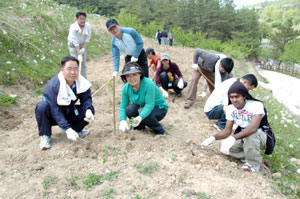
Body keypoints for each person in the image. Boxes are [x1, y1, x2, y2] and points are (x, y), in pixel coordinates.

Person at [201, 81, 275, 172]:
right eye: (231, 97)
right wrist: (213, 138)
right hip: (244, 136)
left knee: (250, 134)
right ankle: (249, 154)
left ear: (244, 96)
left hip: (262, 136)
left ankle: (253, 164)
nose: (234, 100)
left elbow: (253, 128)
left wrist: (233, 138)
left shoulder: (255, 105)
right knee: (224, 146)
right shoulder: (231, 109)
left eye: (237, 96)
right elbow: (227, 131)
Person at [35, 56, 95, 150]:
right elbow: (55, 110)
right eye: (69, 69)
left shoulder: (82, 82)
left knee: (88, 110)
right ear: (62, 70)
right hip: (52, 114)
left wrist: (88, 110)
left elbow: (86, 99)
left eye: (75, 69)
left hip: (68, 110)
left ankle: (76, 130)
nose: (73, 72)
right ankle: (45, 135)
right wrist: (67, 129)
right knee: (42, 106)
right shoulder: (54, 86)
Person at [119, 62, 168, 135]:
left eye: (134, 74)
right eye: (128, 76)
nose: (132, 78)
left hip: (159, 107)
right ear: (125, 77)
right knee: (129, 110)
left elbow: (149, 105)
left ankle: (159, 130)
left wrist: (140, 117)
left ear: (140, 74)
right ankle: (140, 126)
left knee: (146, 115)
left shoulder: (148, 84)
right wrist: (122, 120)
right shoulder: (126, 88)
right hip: (143, 107)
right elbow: (123, 107)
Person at [67, 12, 91, 78]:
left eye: (83, 19)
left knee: (83, 63)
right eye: (80, 19)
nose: (82, 20)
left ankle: (83, 79)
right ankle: (76, 78)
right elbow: (75, 42)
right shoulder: (73, 27)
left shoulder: (88, 26)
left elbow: (87, 38)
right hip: (73, 44)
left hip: (82, 44)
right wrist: (79, 54)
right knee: (76, 62)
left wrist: (83, 48)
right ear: (77, 19)